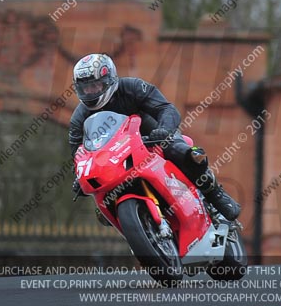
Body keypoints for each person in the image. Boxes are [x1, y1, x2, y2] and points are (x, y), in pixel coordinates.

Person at [68, 53, 241, 221]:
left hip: (152, 139)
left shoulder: (133, 87)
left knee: (184, 153)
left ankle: (215, 193)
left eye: (95, 85)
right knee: (102, 205)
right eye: (85, 87)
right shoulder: (79, 118)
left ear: (110, 79)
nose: (90, 92)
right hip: (116, 158)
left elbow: (166, 109)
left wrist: (164, 130)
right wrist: (80, 176)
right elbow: (78, 154)